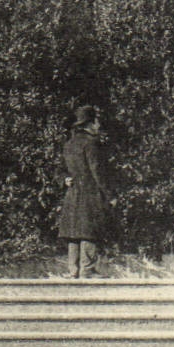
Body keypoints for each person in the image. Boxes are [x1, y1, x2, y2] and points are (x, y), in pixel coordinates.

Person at [58, 105, 111, 278]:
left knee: (74, 232)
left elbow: (60, 169)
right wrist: (109, 194)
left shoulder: (69, 144)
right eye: (97, 122)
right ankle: (87, 269)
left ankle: (73, 270)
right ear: (89, 124)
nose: (99, 126)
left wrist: (64, 178)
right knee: (89, 230)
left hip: (73, 193)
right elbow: (97, 171)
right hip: (89, 192)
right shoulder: (91, 144)